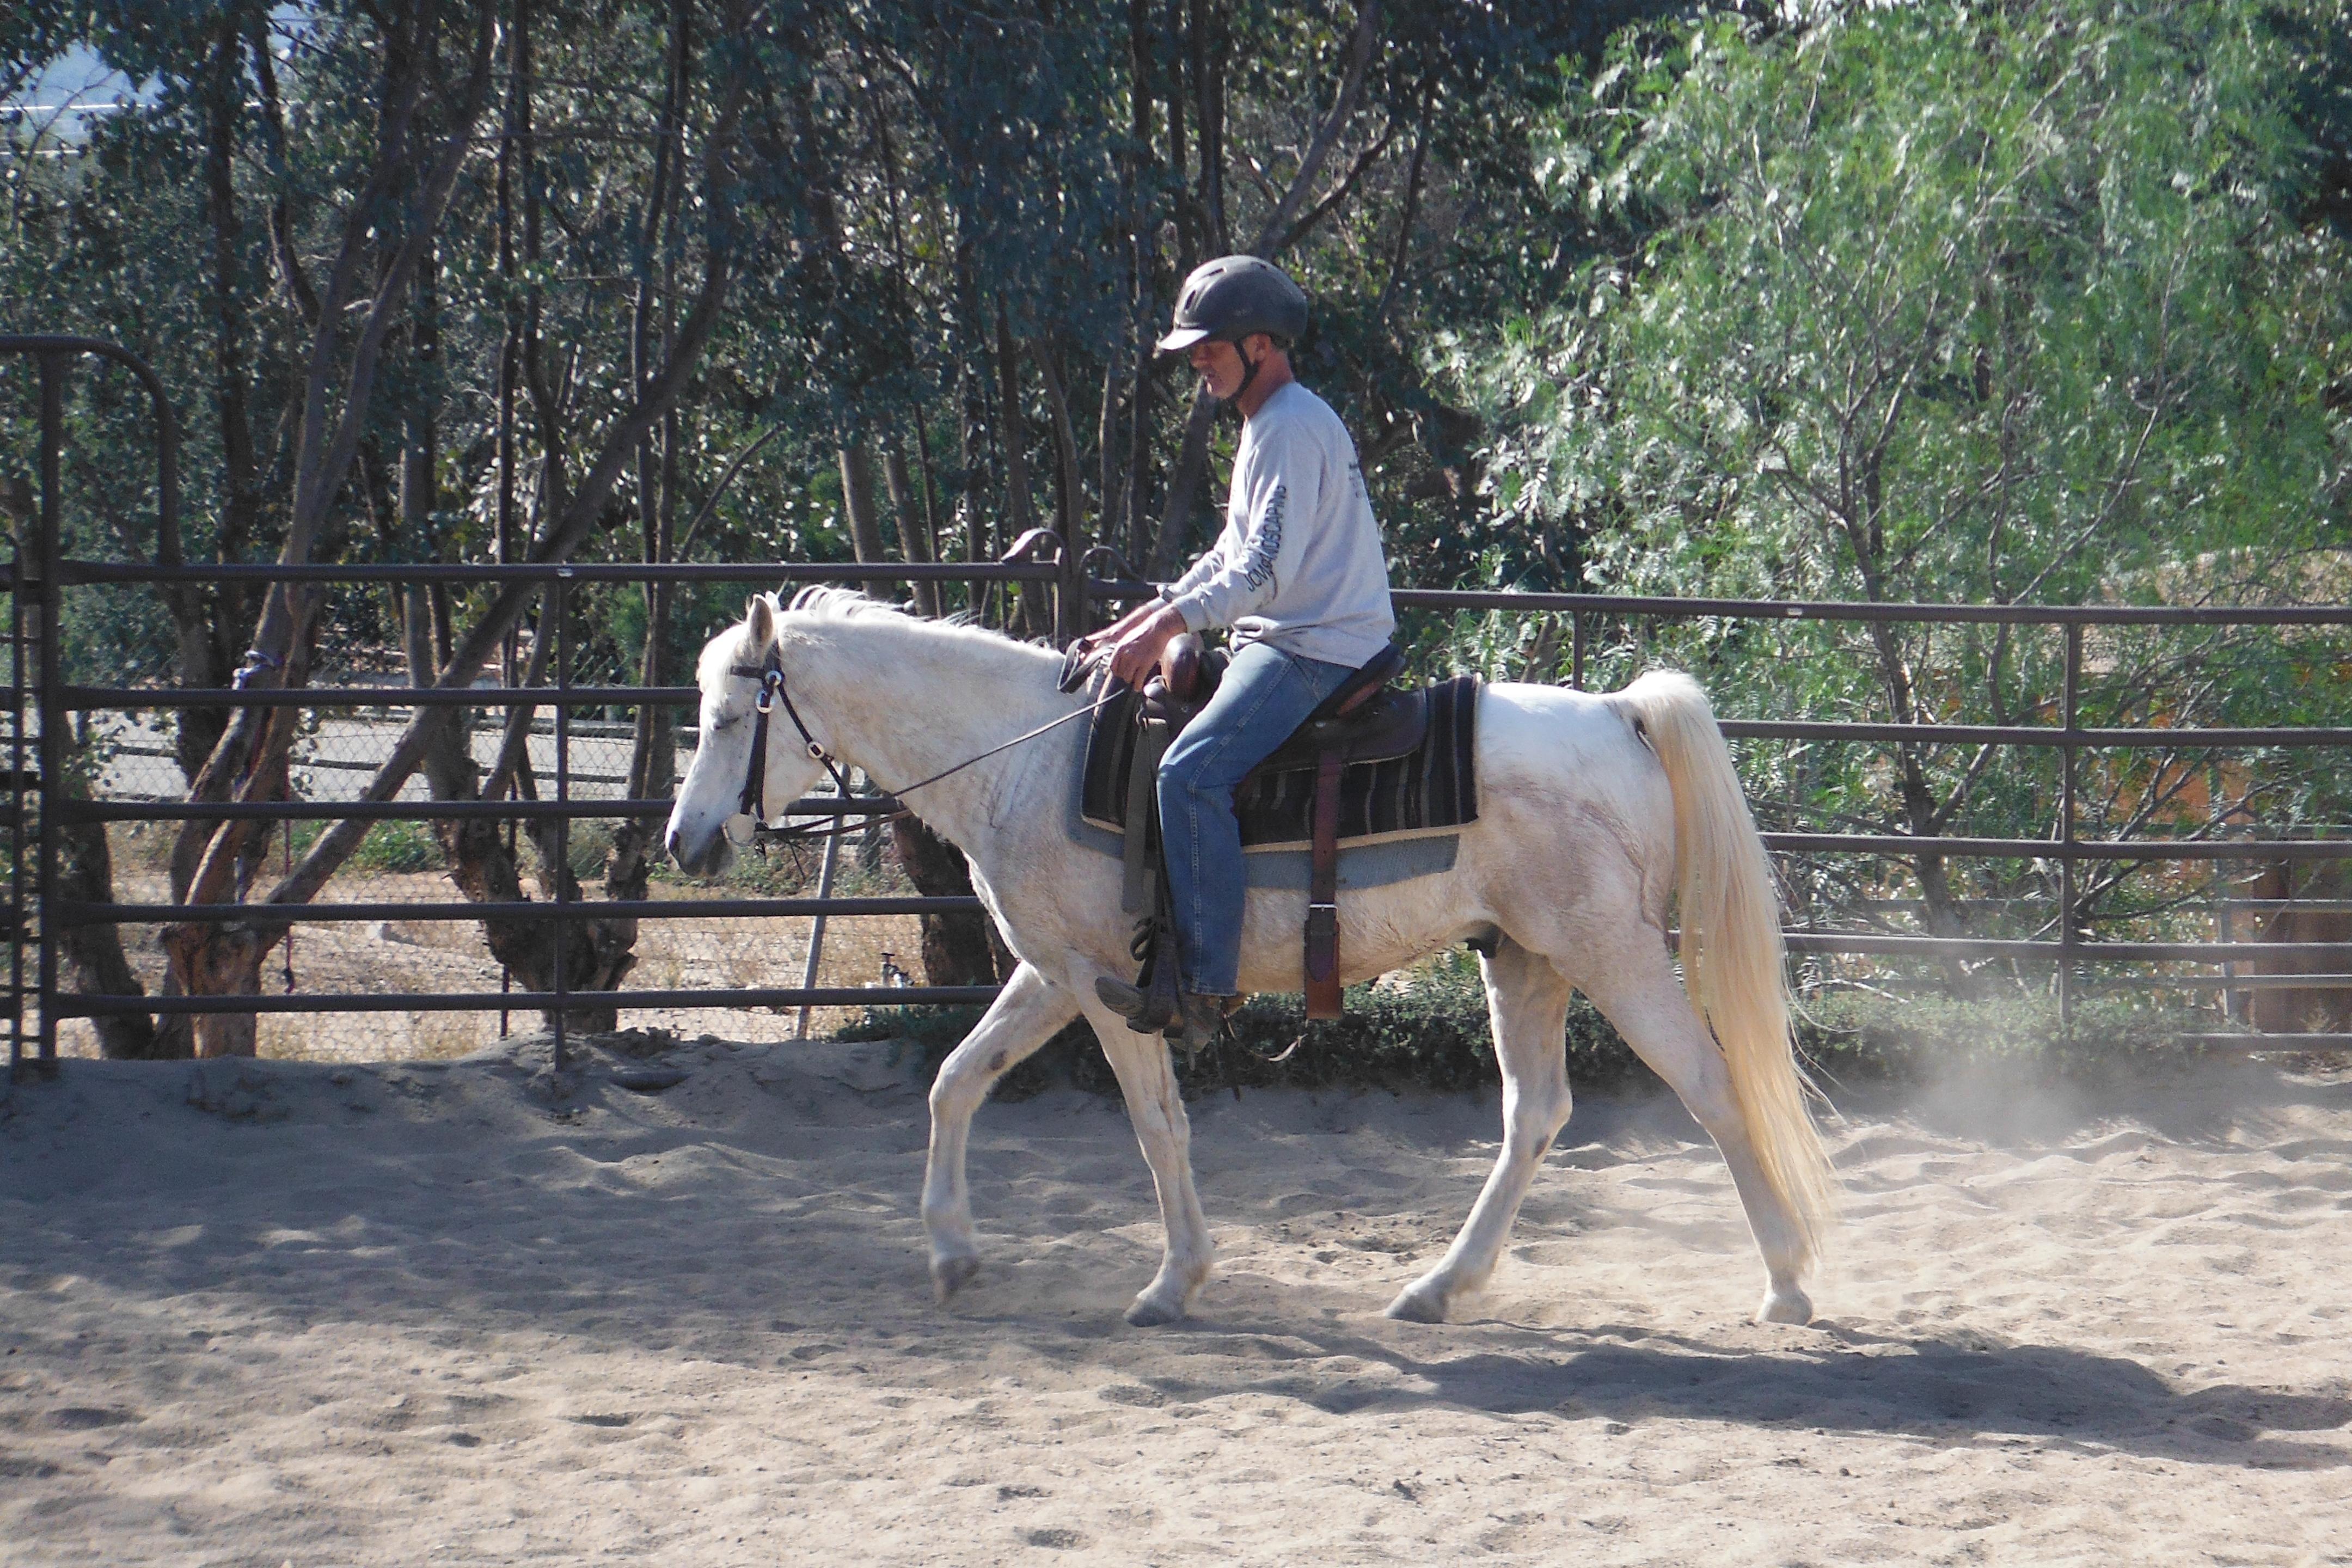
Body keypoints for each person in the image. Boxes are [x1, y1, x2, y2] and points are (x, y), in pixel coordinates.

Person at [1082, 255, 1396, 1044]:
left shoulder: (1287, 428)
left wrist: (1164, 628)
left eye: (1210, 346)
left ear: (1260, 344)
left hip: (1315, 647)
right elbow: (1230, 553)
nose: (1198, 360)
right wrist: (1144, 620)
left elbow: (1263, 573)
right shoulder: (1271, 423)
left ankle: (1207, 988)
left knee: (1190, 775)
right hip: (1299, 635)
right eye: (1194, 349)